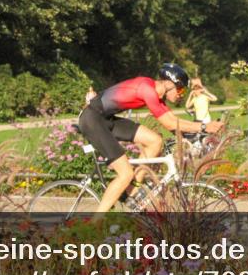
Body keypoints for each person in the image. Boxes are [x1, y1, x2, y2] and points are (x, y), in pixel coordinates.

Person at [78, 64, 224, 213]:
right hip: (93, 119)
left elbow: (173, 123)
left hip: (105, 118)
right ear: (168, 84)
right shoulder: (146, 89)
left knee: (155, 141)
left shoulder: (157, 96)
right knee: (125, 173)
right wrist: (204, 127)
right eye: (180, 89)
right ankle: (95, 223)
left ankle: (130, 192)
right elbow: (169, 122)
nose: (181, 94)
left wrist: (194, 135)